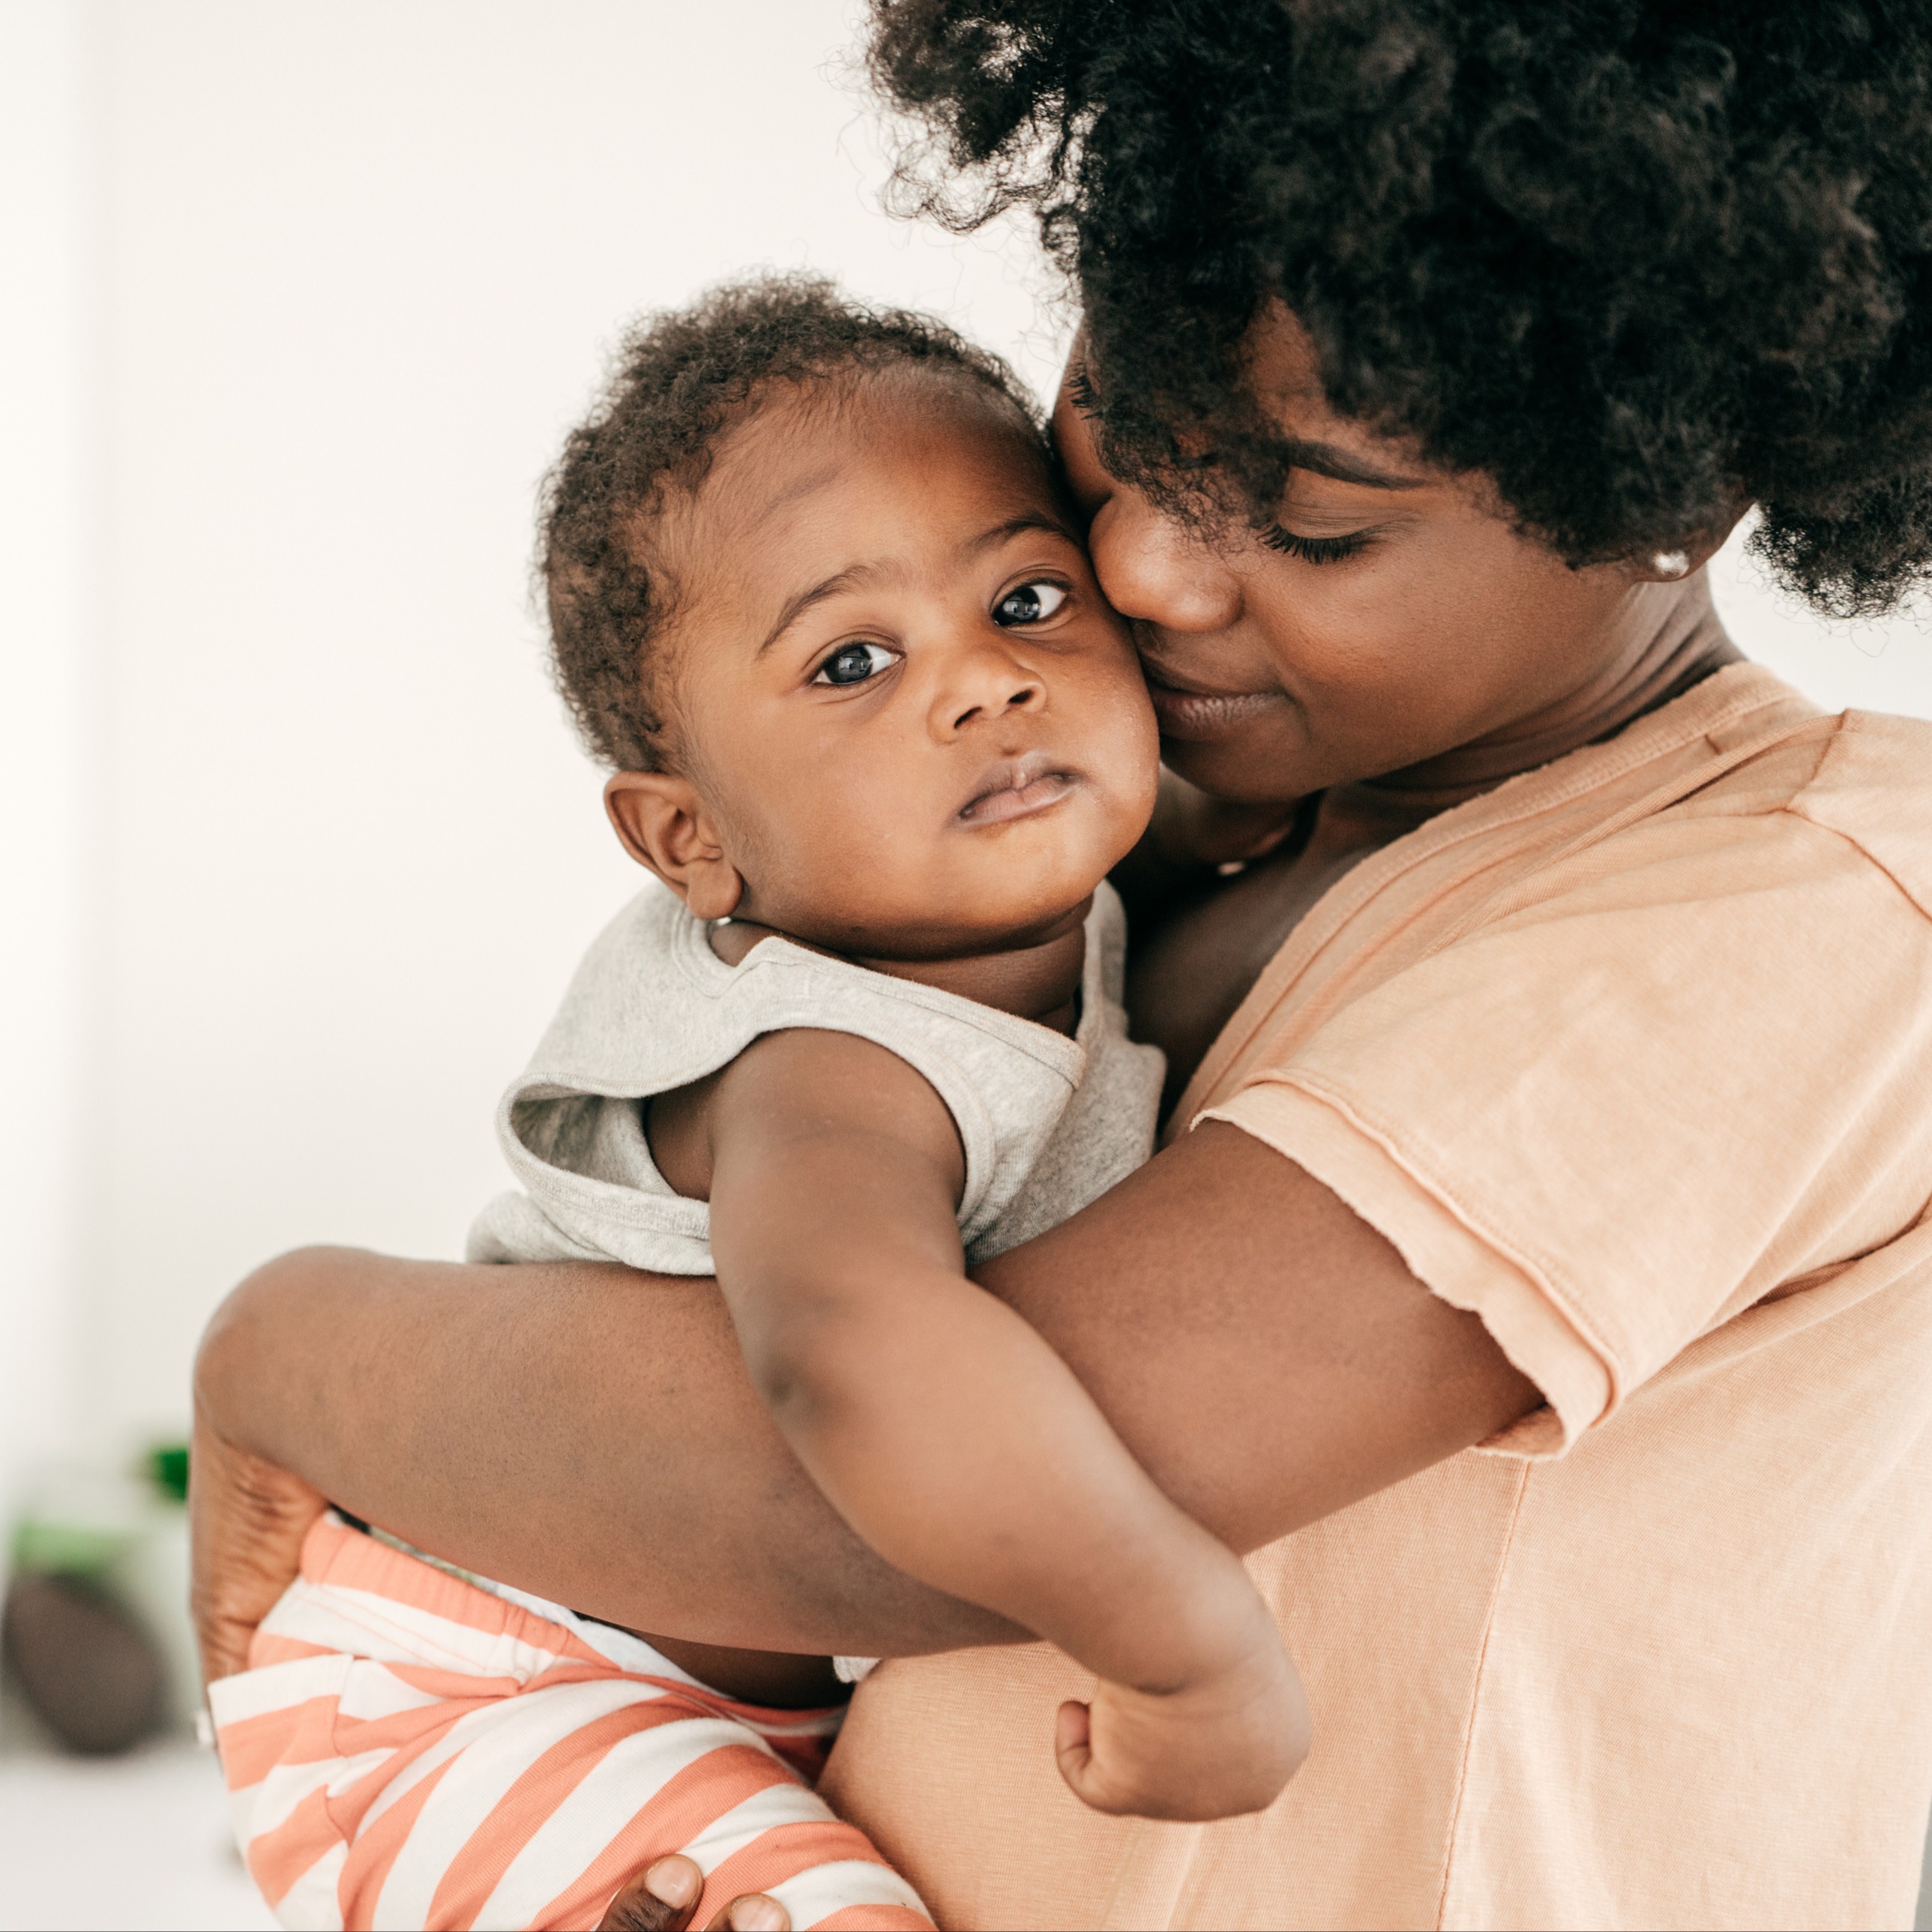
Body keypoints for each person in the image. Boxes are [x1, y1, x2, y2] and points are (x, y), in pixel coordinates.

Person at [193, 3, 1932, 1926]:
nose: (1151, 575)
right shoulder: (1123, 836)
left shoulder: (1809, 896)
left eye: (1311, 523)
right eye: (1126, 428)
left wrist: (290, 1347)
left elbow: (847, 1506)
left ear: (1669, 497)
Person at [204, 278, 1308, 1931]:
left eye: (1024, 596)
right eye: (852, 658)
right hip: (488, 1688)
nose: (981, 686)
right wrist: (1180, 1633)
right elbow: (851, 1352)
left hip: (638, 1693)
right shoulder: (835, 1062)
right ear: (689, 842)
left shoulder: (1032, 917)